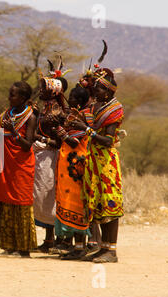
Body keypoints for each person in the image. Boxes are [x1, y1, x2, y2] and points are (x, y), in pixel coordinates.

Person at [68, 70, 124, 263]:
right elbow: (93, 127)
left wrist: (86, 129)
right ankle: (103, 248)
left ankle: (112, 250)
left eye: (99, 88)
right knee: (97, 202)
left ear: (108, 92)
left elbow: (108, 140)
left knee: (110, 203)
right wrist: (81, 121)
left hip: (107, 162)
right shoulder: (98, 105)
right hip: (94, 160)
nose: (96, 90)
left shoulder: (114, 109)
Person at [0, 81, 38, 257]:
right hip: (6, 163)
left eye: (14, 95)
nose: (10, 97)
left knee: (21, 202)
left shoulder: (30, 117)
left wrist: (14, 132)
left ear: (24, 98)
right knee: (6, 202)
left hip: (21, 165)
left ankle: (24, 248)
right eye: (10, 94)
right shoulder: (6, 114)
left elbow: (27, 145)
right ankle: (9, 244)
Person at [54, 86, 91, 260]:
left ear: (80, 100)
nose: (71, 100)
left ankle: (80, 247)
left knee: (77, 203)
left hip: (76, 165)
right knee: (68, 202)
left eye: (73, 98)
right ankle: (75, 246)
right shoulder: (74, 114)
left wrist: (62, 134)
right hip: (67, 165)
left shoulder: (84, 116)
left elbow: (75, 142)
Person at [33, 74, 68, 253]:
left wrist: (41, 138)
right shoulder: (46, 110)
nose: (40, 91)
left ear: (52, 92)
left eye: (44, 89)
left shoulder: (56, 113)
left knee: (49, 195)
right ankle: (48, 239)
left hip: (52, 157)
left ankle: (56, 238)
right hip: (42, 157)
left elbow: (59, 142)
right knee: (43, 196)